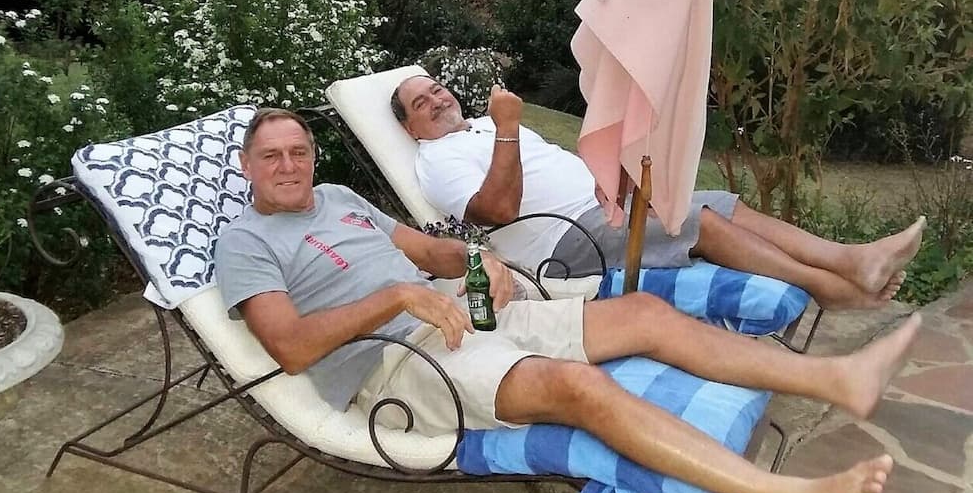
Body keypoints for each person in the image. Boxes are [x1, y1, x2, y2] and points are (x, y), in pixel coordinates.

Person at [215, 107, 921, 493]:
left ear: (313, 157)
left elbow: (427, 251)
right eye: (271, 156)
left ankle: (835, 378)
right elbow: (293, 349)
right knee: (575, 389)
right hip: (395, 363)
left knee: (644, 313)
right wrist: (396, 298)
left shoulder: (339, 197)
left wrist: (477, 257)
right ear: (246, 167)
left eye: (298, 151)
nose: (289, 165)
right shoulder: (245, 243)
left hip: (461, 312)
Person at [391, 75, 927, 311]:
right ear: (411, 129)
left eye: (436, 90)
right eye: (421, 104)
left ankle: (850, 260)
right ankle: (827, 287)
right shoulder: (436, 160)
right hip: (563, 244)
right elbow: (498, 210)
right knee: (694, 221)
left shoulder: (484, 127)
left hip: (601, 209)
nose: (437, 101)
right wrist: (509, 126)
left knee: (722, 203)